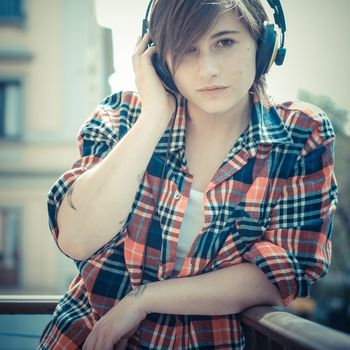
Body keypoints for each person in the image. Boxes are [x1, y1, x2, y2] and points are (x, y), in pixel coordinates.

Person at [38, 0, 338, 349]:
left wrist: (144, 299)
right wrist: (152, 119)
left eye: (224, 42)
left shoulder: (302, 134)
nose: (207, 69)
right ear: (158, 61)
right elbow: (76, 238)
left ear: (264, 45)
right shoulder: (122, 116)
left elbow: (281, 274)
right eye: (186, 50)